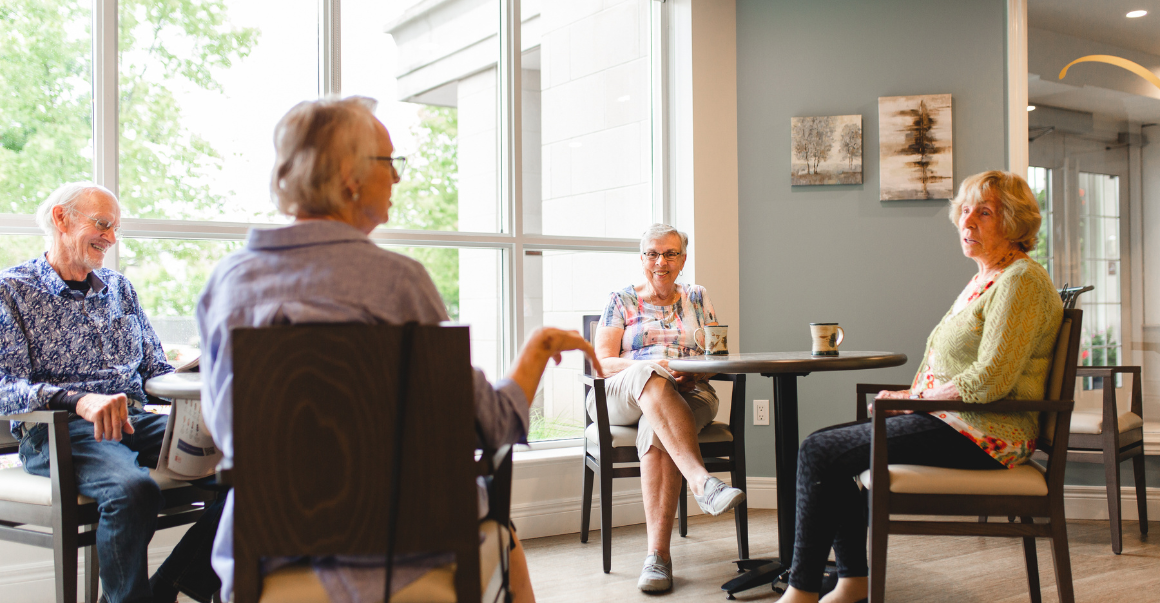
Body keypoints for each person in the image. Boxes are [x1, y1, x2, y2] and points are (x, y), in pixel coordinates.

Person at [197, 95, 601, 603]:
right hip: (406, 549)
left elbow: (221, 428)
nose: (398, 179)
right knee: (508, 540)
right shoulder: (398, 283)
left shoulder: (226, 285)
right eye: (389, 163)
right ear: (350, 176)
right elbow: (491, 425)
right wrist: (538, 349)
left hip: (269, 551)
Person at [777, 171, 1064, 603]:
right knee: (821, 447)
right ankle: (853, 580)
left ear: (1015, 223)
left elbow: (990, 380)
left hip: (986, 433)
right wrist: (914, 403)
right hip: (957, 422)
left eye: (984, 213)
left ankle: (803, 591)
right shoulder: (988, 278)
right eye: (965, 211)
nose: (967, 223)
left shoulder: (1020, 281)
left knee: (820, 451)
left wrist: (913, 400)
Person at [0, 182, 224, 603]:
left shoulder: (120, 289)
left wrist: (211, 376)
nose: (111, 238)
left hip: (134, 421)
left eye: (115, 228)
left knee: (257, 469)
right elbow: (4, 388)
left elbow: (155, 371)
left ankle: (168, 587)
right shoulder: (12, 290)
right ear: (61, 219)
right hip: (61, 432)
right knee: (133, 490)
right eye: (103, 224)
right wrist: (78, 400)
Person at [591, 223, 746, 593]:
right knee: (651, 375)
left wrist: (694, 375)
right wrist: (652, 370)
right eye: (652, 254)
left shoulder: (697, 296)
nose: (661, 261)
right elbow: (603, 361)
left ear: (683, 259)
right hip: (623, 393)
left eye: (670, 253)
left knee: (655, 428)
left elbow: (716, 353)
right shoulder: (620, 299)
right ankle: (700, 480)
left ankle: (657, 558)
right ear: (642, 258)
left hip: (689, 392)